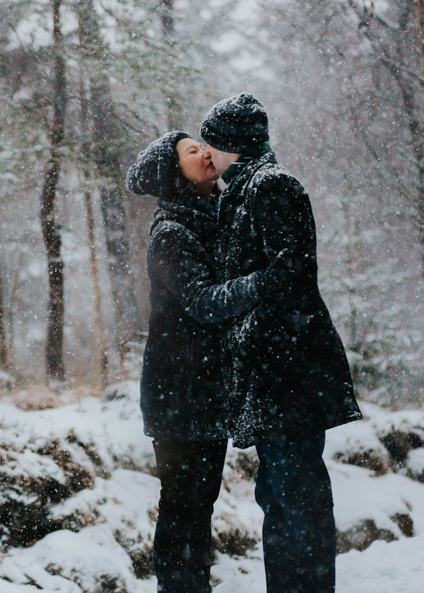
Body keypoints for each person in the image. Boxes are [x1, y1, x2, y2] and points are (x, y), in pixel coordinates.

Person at [199, 92, 363, 593]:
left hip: (290, 373)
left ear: (233, 144)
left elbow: (293, 271)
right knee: (277, 497)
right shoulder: (241, 192)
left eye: (212, 142)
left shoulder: (273, 187)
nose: (207, 152)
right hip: (271, 375)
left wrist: (233, 311)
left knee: (300, 501)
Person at [126, 131, 289, 593]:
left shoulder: (211, 217)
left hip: (204, 392)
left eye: (201, 144)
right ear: (175, 175)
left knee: (198, 506)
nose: (203, 151)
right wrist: (266, 280)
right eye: (189, 151)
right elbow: (204, 302)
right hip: (178, 395)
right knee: (184, 509)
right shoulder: (172, 233)